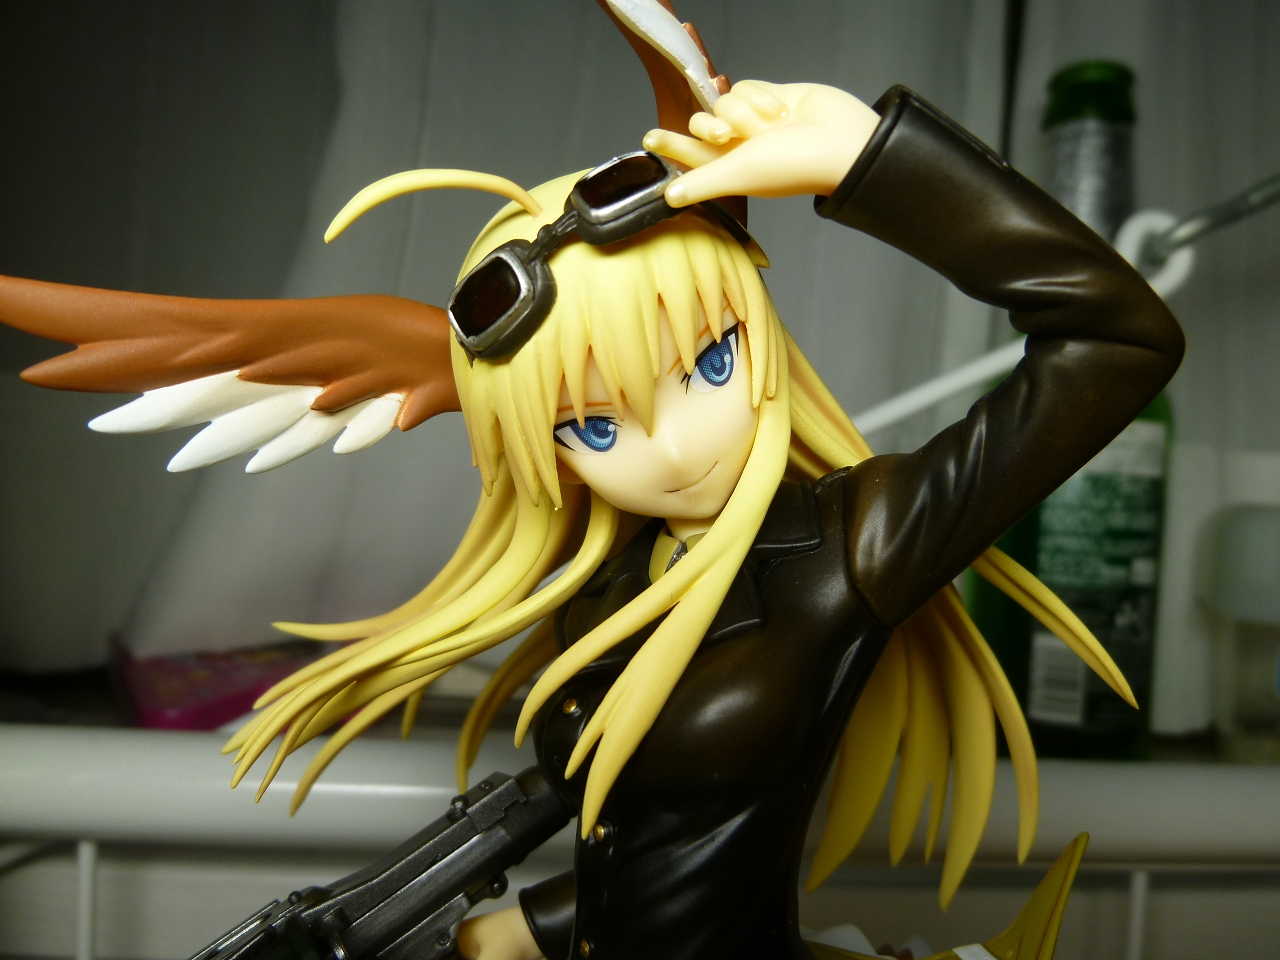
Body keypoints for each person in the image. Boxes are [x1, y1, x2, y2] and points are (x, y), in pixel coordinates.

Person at [0, 33, 1182, 960]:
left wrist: (871, 161)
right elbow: (656, 846)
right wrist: (535, 928)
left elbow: (1116, 342)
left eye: (709, 364)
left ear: (758, 332)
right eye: (593, 425)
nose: (667, 448)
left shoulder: (850, 545)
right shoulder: (609, 580)